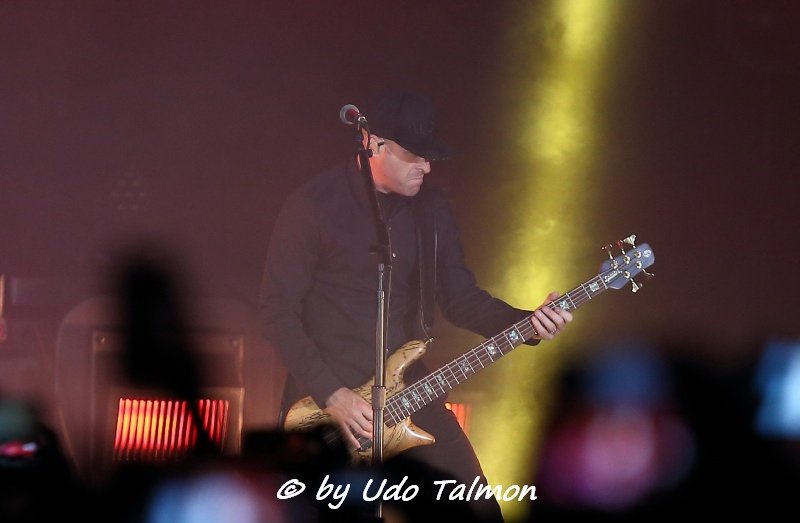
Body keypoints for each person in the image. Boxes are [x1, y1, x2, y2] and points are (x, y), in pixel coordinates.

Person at [259, 91, 573, 521]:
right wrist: (333, 394)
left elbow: (460, 298)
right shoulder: (313, 205)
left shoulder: (431, 209)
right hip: (329, 404)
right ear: (373, 143)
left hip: (409, 392)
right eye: (415, 156)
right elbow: (277, 312)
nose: (426, 167)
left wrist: (528, 323)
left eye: (430, 157)